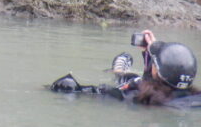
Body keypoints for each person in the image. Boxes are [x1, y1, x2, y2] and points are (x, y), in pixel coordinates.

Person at [50, 30, 201, 107]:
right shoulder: (195, 98)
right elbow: (158, 81)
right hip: (158, 88)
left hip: (129, 86)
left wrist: (67, 87)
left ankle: (118, 70)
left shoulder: (134, 95)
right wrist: (149, 52)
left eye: (154, 63)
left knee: (127, 79)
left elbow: (95, 93)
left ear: (157, 70)